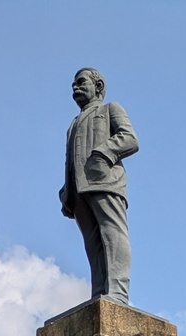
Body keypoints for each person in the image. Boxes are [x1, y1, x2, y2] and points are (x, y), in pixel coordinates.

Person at [59, 66, 138, 304]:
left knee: (113, 234)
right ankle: (100, 292)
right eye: (73, 84)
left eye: (81, 82)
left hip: (105, 182)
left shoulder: (110, 109)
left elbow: (130, 138)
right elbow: (70, 159)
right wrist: (66, 189)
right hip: (78, 190)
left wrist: (103, 154)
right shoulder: (72, 124)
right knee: (93, 244)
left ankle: (118, 293)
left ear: (98, 86)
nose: (75, 87)